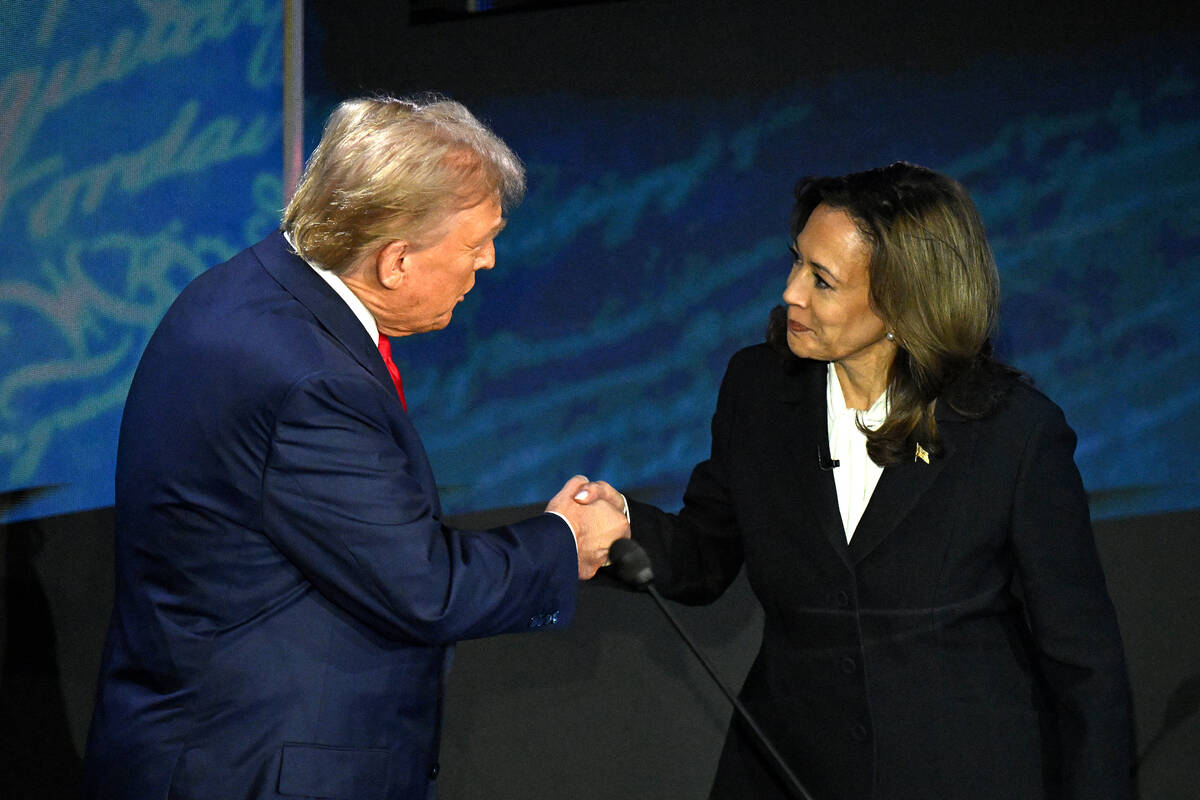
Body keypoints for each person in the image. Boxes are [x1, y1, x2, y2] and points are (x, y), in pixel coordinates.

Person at [82, 96, 628, 800]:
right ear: (396, 260)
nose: (488, 263)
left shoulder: (250, 287)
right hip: (259, 769)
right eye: (475, 245)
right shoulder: (311, 381)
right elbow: (426, 588)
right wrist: (564, 539)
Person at [578, 163, 1133, 799]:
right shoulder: (759, 391)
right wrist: (620, 527)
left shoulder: (1013, 435)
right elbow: (705, 554)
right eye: (795, 265)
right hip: (790, 771)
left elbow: (1084, 665)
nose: (791, 293)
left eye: (823, 280)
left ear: (903, 301)